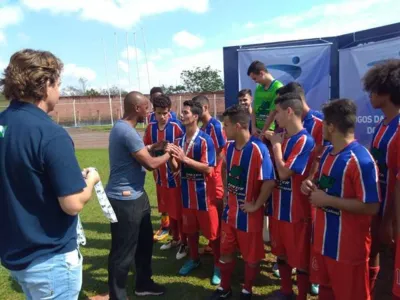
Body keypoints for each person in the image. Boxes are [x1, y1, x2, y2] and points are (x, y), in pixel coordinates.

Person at [0, 49, 100, 300]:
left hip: (15, 252)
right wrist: (91, 180)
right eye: (58, 84)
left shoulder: (3, 123)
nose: (60, 91)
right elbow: (72, 203)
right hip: (49, 257)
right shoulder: (50, 133)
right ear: (45, 84)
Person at [301, 98, 381, 300]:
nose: (321, 127)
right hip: (323, 243)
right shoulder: (327, 153)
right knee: (326, 292)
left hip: (347, 250)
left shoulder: (361, 160)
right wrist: (308, 185)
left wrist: (328, 200)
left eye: (324, 123)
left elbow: (371, 206)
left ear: (331, 126)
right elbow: (319, 186)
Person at [106, 91, 169, 300]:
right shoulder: (127, 131)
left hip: (137, 195)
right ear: (137, 108)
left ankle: (143, 283)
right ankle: (118, 295)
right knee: (123, 252)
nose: (149, 112)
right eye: (147, 108)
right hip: (125, 199)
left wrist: (153, 147)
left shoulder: (123, 128)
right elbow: (150, 164)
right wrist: (170, 154)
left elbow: (137, 152)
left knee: (144, 243)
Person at [209, 105, 275, 300]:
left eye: (226, 125)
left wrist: (256, 205)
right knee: (225, 252)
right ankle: (225, 288)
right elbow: (224, 170)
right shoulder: (229, 147)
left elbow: (269, 181)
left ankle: (247, 290)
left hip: (249, 215)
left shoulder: (258, 149)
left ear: (238, 126)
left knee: (251, 258)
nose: (224, 129)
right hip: (230, 213)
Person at [271, 82, 328, 296]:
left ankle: (301, 295)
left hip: (297, 212)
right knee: (282, 254)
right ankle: (286, 292)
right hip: (279, 209)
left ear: (288, 111)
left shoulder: (305, 140)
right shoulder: (283, 136)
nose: (275, 117)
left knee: (301, 261)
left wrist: (276, 148)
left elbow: (285, 173)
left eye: (277, 112)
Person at [167, 100, 221, 285]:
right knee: (190, 231)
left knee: (212, 233)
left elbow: (208, 168)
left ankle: (218, 265)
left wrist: (185, 158)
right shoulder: (179, 140)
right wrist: (171, 158)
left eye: (186, 112)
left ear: (195, 117)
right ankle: (194, 258)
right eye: (182, 112)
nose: (182, 115)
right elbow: (176, 167)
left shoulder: (206, 140)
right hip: (186, 194)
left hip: (204, 195)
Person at [362, 60, 400, 298]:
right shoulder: (381, 126)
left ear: (386, 92)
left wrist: (389, 222)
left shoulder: (398, 129)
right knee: (372, 251)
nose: (370, 96)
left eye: (373, 90)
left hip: (392, 214)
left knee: (390, 265)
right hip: (377, 207)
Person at [143, 94, 188, 260]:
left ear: (170, 112)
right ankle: (175, 239)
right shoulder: (151, 128)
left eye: (166, 113)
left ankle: (184, 242)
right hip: (159, 177)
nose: (163, 117)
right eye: (159, 113)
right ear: (153, 112)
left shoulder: (177, 127)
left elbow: (183, 150)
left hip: (174, 178)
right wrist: (155, 148)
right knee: (168, 210)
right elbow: (145, 147)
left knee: (178, 212)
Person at [193, 95, 227, 258]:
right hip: (206, 175)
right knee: (209, 209)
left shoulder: (215, 126)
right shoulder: (202, 127)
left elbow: (222, 149)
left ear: (205, 108)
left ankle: (222, 243)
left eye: (197, 108)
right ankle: (212, 242)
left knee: (217, 206)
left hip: (214, 175)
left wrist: (214, 169)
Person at [247, 60, 283, 138]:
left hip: (270, 132)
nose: (255, 81)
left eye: (255, 78)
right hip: (256, 131)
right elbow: (254, 110)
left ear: (261, 73)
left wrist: (263, 133)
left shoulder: (278, 87)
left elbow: (273, 113)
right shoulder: (259, 88)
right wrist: (253, 127)